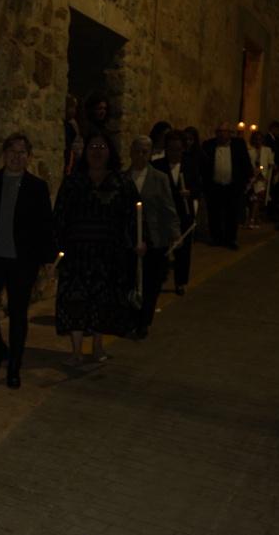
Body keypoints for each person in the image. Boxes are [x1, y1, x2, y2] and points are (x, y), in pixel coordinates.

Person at [0, 133, 56, 388]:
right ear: (4, 154)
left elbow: (45, 225)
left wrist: (48, 258)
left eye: (22, 152)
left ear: (28, 156)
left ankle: (14, 365)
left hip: (22, 261)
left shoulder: (37, 187)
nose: (17, 157)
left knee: (17, 314)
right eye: (12, 152)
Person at [53, 129, 143, 363]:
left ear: (110, 152)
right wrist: (56, 247)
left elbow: (133, 218)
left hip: (108, 255)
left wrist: (137, 243)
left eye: (102, 147)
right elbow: (60, 216)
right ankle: (75, 350)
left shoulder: (122, 183)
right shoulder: (73, 182)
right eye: (93, 147)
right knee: (75, 300)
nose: (97, 152)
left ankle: (98, 346)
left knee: (102, 301)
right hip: (77, 254)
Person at [126, 136, 179, 338]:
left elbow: (168, 209)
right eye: (137, 151)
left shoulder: (159, 178)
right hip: (130, 239)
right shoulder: (123, 178)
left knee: (149, 282)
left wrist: (173, 234)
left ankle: (144, 321)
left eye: (145, 152)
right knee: (130, 280)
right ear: (131, 152)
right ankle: (130, 318)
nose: (141, 156)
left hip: (154, 239)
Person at [152, 130, 201, 296]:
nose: (175, 153)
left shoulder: (190, 164)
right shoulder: (158, 165)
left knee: (183, 250)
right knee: (161, 249)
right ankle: (158, 279)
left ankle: (181, 282)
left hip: (184, 213)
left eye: (178, 149)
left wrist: (190, 192)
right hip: (164, 215)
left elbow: (199, 187)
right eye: (171, 149)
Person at [202, 122, 252, 249]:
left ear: (230, 133)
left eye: (225, 131)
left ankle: (231, 239)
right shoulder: (209, 145)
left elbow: (245, 163)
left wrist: (245, 181)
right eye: (219, 131)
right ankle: (216, 238)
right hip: (214, 185)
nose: (222, 134)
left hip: (232, 186)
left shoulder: (238, 145)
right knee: (214, 213)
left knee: (232, 213)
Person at [247, 130, 274, 228]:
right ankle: (253, 218)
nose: (258, 141)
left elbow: (270, 163)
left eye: (260, 139)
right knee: (255, 199)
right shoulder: (250, 151)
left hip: (263, 177)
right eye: (256, 139)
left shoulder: (267, 150)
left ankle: (254, 217)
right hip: (253, 177)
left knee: (258, 198)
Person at [64, 94, 84, 177]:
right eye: (71, 107)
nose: (74, 111)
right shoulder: (68, 125)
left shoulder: (73, 123)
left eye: (75, 108)